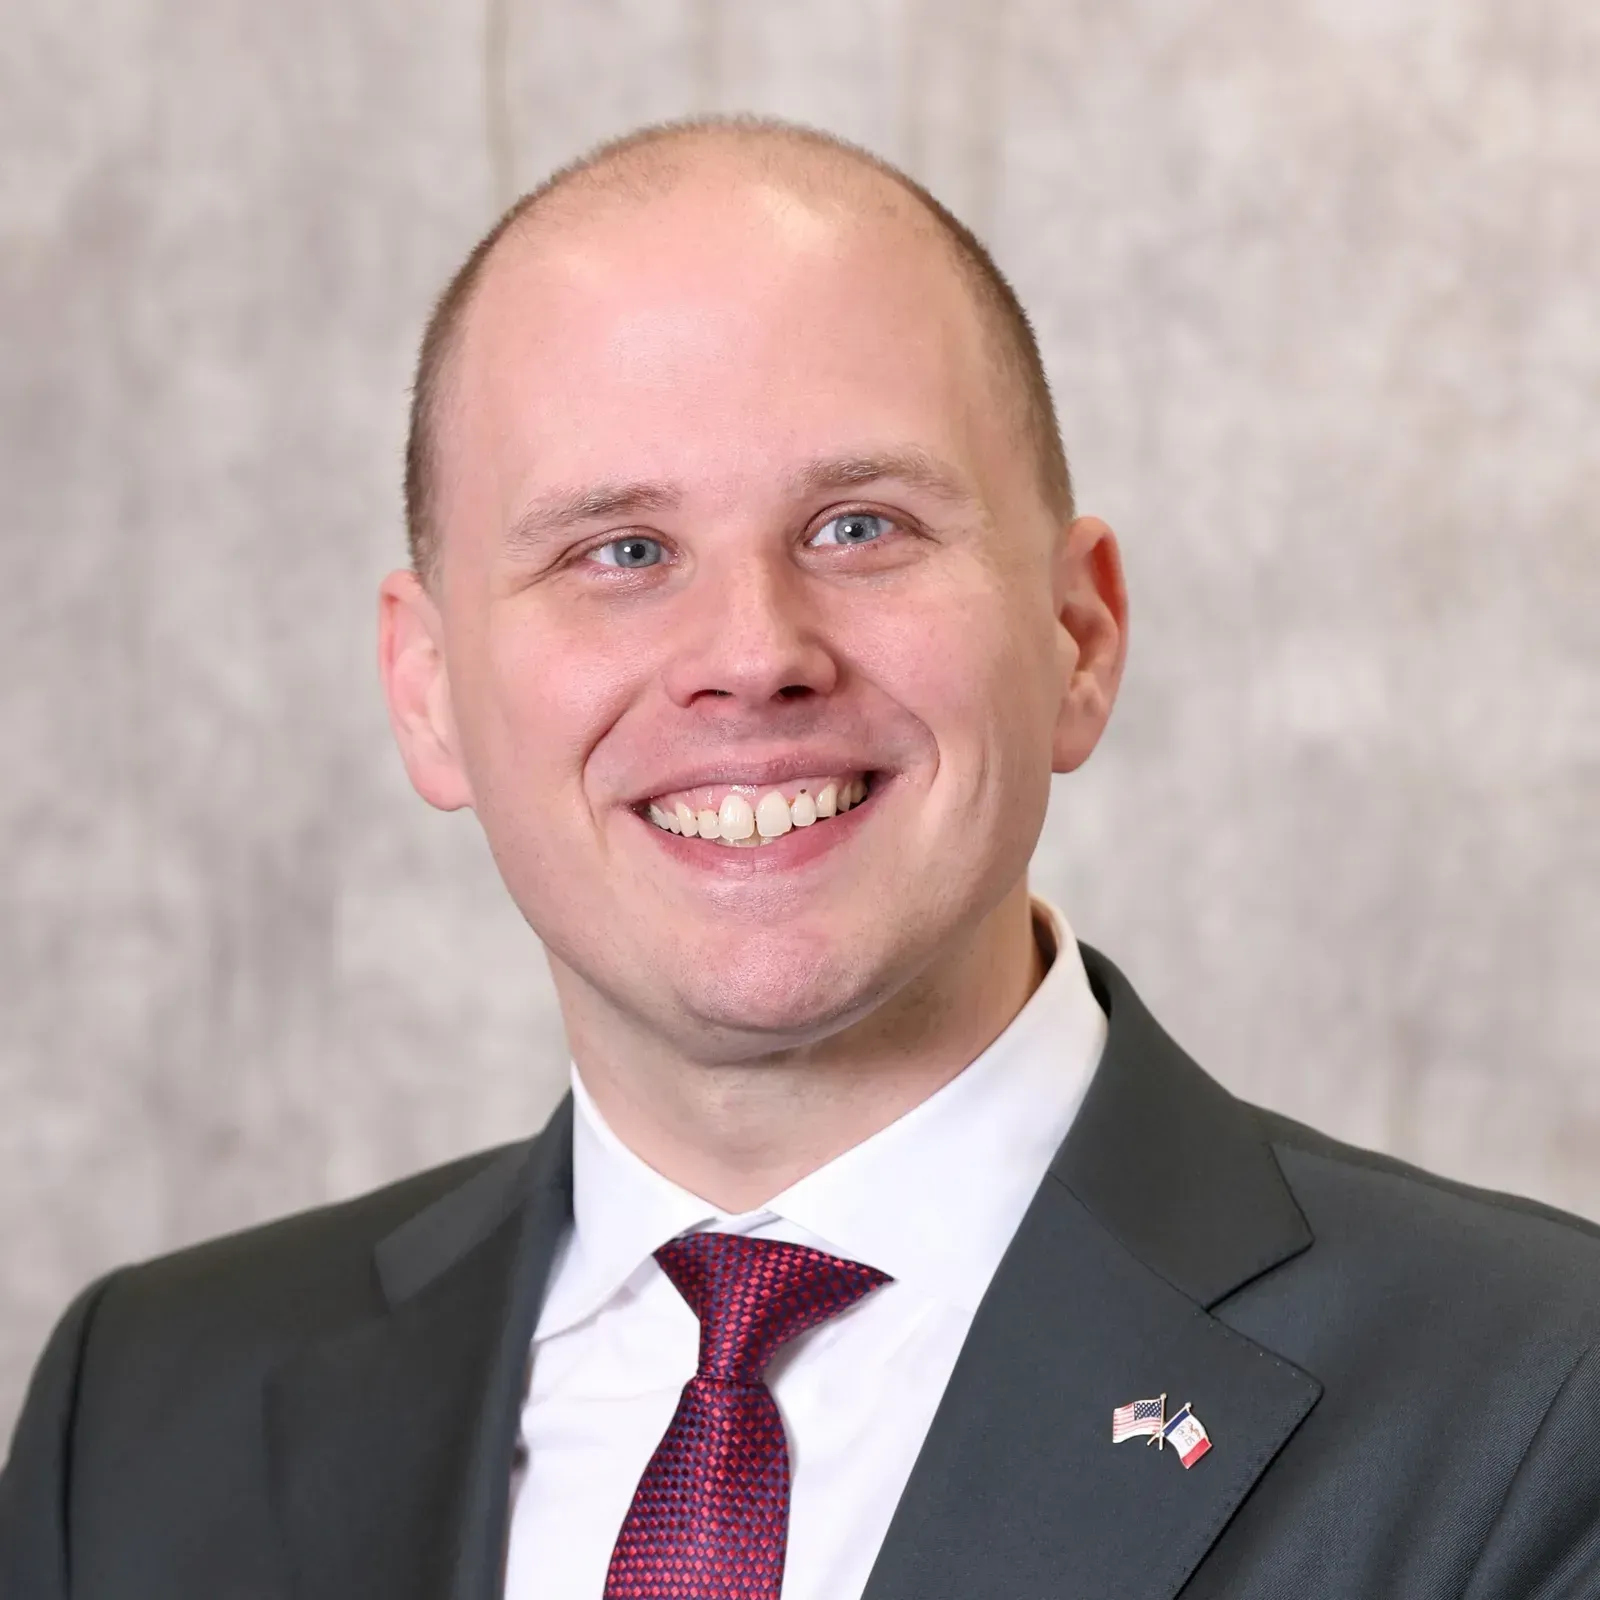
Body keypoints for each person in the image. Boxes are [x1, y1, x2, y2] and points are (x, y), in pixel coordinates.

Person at [2, 115, 1597, 1600]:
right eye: (618, 551)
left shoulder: (1533, 1397)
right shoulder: (141, 1416)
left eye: (861, 526)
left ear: (1078, 631)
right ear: (426, 693)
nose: (751, 654)